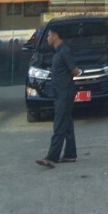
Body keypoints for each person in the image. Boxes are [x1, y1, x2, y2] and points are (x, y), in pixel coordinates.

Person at [36, 26, 81, 168]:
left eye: (49, 35)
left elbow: (74, 70)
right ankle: (70, 154)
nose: (48, 38)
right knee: (67, 124)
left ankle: (51, 157)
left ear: (55, 36)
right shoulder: (57, 52)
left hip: (65, 93)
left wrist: (77, 72)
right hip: (59, 92)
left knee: (59, 124)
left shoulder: (64, 51)